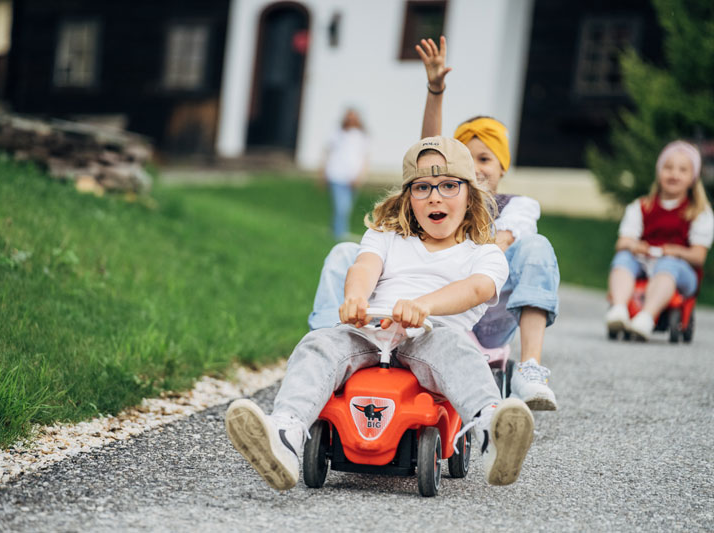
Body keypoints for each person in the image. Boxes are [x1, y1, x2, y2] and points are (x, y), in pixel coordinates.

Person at [226, 136, 534, 491]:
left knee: (460, 353)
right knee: (319, 344)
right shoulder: (387, 236)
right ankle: (286, 432)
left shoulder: (483, 253)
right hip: (371, 332)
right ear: (408, 198)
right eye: (422, 187)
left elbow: (477, 288)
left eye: (449, 185)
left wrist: (424, 306)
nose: (435, 197)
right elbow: (364, 266)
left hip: (431, 336)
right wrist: (356, 297)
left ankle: (492, 431)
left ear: (470, 195)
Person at [308, 37, 560, 411]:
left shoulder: (517, 208)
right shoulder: (435, 195)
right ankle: (331, 348)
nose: (474, 168)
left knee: (537, 246)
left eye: (484, 159)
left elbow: (497, 248)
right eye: (465, 160)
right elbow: (428, 155)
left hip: (480, 309)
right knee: (348, 252)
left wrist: (456, 253)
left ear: (502, 167)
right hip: (415, 306)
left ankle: (530, 368)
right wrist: (435, 91)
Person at [605, 140, 712, 340]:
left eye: (682, 170)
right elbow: (622, 242)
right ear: (659, 172)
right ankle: (619, 308)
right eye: (668, 168)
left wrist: (674, 251)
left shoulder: (699, 212)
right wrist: (635, 245)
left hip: (680, 271)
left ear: (692, 178)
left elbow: (698, 256)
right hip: (645, 262)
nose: (674, 174)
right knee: (624, 258)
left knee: (668, 265)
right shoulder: (641, 206)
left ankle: (647, 316)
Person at [320, 108, 370, 240]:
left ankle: (334, 230)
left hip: (352, 178)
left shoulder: (361, 136)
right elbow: (327, 153)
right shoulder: (337, 134)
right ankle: (340, 234)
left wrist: (360, 176)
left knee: (346, 208)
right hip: (336, 175)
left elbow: (364, 158)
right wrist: (323, 172)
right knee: (341, 207)